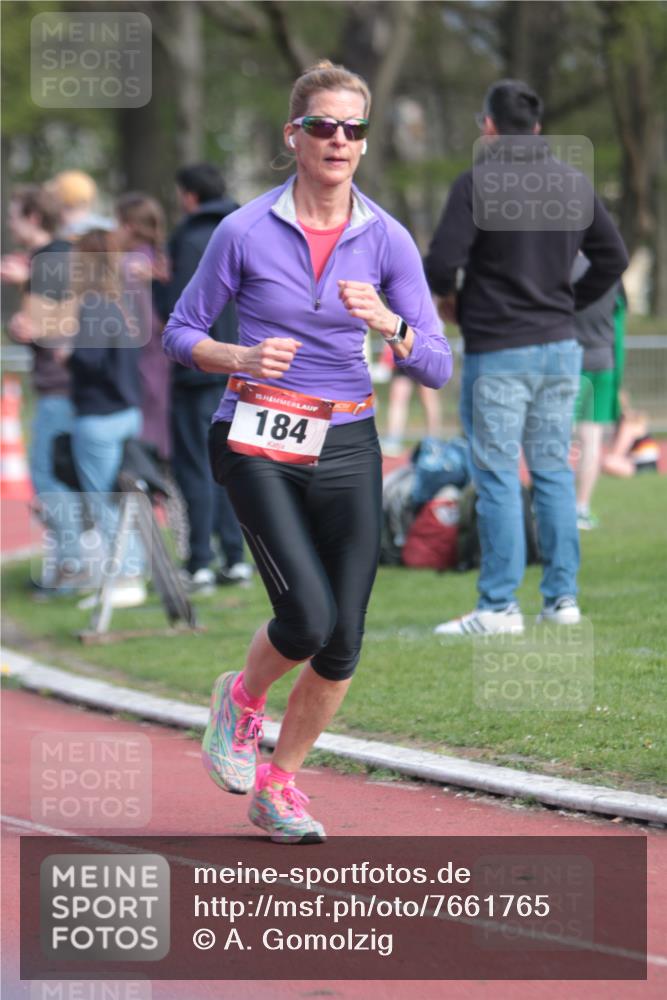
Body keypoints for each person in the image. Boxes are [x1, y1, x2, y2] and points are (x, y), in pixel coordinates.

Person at [163, 60, 452, 842]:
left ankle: (279, 786)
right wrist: (240, 359)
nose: (338, 139)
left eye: (352, 127)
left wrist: (390, 325)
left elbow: (436, 362)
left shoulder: (385, 237)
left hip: (349, 437)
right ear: (293, 135)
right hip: (256, 430)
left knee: (344, 639)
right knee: (306, 614)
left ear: (363, 141)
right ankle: (241, 700)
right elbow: (180, 332)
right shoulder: (243, 229)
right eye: (322, 125)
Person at [425, 79, 628, 635]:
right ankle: (562, 601)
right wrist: (570, 303)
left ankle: (497, 607)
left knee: (495, 477)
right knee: (553, 476)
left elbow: (440, 263)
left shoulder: (476, 183)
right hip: (560, 349)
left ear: (488, 126)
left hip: (499, 349)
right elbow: (614, 256)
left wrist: (451, 301)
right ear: (537, 129)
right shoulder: (571, 182)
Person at [156, 164, 250, 593]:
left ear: (189, 196)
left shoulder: (191, 240)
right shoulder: (246, 230)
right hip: (245, 366)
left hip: (199, 371)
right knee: (234, 466)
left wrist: (158, 283)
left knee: (196, 468)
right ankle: (236, 558)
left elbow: (178, 309)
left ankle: (200, 562)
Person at [3, 185, 84, 591]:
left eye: (14, 214)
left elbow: (60, 324)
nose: (9, 222)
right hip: (58, 383)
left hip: (61, 385)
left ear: (33, 217)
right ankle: (72, 563)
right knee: (60, 475)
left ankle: (70, 567)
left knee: (50, 476)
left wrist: (27, 282)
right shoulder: (52, 257)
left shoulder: (54, 259)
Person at [67, 229, 146, 608]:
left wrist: (66, 349)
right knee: (119, 499)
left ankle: (126, 578)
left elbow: (90, 359)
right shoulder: (119, 303)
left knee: (105, 501)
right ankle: (125, 572)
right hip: (125, 410)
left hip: (99, 414)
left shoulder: (94, 304)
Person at [115, 192, 172, 462]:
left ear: (128, 226)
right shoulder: (161, 261)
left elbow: (144, 322)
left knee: (144, 447)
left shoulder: (129, 266)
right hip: (168, 357)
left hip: (144, 361)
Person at [572, 253, 626, 530]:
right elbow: (619, 324)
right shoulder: (611, 269)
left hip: (569, 363)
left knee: (554, 439)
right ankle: (581, 508)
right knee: (591, 441)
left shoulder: (564, 266)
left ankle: (551, 506)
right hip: (604, 362)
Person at [380, 342, 442, 456]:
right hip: (402, 351)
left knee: (428, 399)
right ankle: (393, 440)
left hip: (425, 351)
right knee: (397, 398)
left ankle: (433, 440)